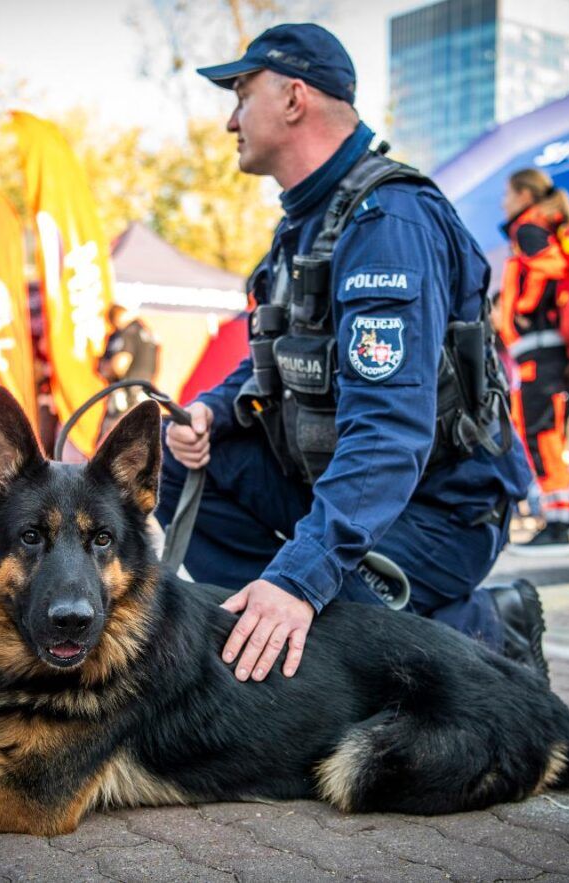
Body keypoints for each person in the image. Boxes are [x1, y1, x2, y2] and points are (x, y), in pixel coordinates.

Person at [157, 23, 540, 686]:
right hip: (347, 490)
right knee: (184, 463)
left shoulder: (387, 223)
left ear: (294, 99)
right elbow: (272, 361)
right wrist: (211, 414)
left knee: (326, 617)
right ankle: (269, 629)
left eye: (242, 95)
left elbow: (390, 432)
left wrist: (300, 578)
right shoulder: (304, 226)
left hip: (439, 506)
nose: (229, 120)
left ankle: (487, 628)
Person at [497, 169, 569, 556]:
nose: (505, 203)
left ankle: (556, 525)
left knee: (540, 432)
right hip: (552, 346)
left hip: (539, 346)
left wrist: (522, 306)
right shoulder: (552, 226)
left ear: (524, 194)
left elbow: (549, 267)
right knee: (548, 428)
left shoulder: (530, 230)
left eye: (509, 194)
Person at [98, 303, 160, 432]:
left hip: (126, 400)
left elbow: (120, 364)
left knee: (108, 444)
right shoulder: (145, 330)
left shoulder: (127, 331)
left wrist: (105, 369)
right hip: (144, 395)